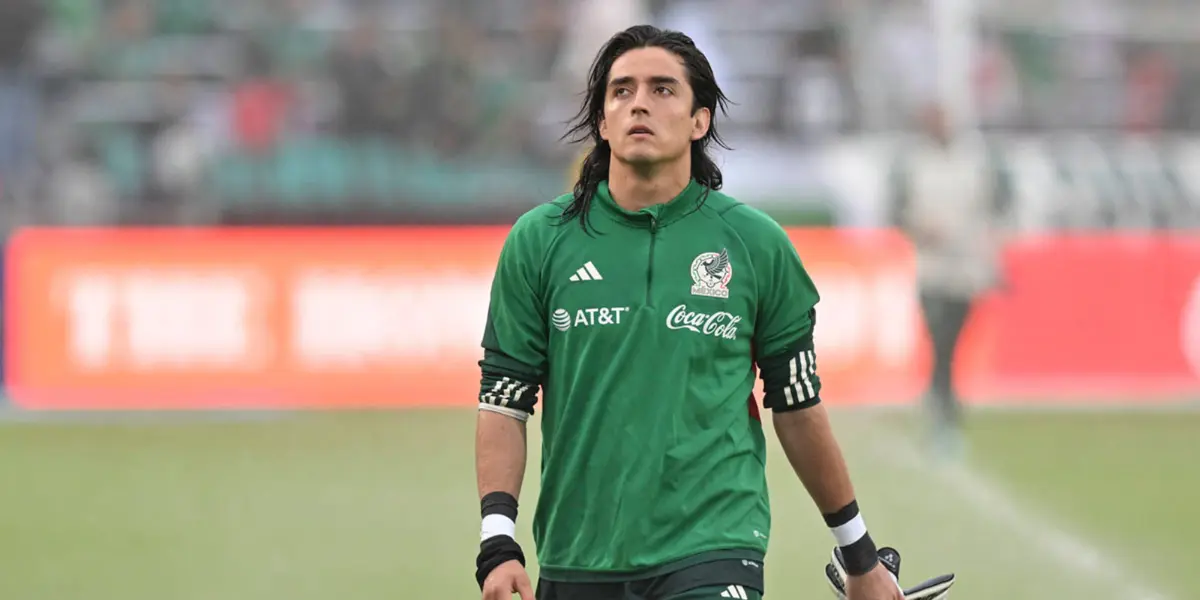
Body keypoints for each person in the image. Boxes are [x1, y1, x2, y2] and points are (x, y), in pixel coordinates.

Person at [474, 25, 904, 600]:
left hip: (713, 546)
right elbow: (504, 399)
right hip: (577, 553)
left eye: (662, 89)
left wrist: (860, 556)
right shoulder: (539, 241)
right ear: (602, 123)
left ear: (700, 121)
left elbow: (798, 406)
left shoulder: (755, 244)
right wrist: (498, 542)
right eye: (621, 91)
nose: (640, 103)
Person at [888, 102, 1011, 460]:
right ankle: (942, 410)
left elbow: (1001, 200)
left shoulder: (976, 157)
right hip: (932, 265)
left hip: (967, 267)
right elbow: (895, 208)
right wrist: (918, 227)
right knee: (938, 340)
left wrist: (991, 242)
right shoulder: (913, 161)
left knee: (952, 342)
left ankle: (943, 408)